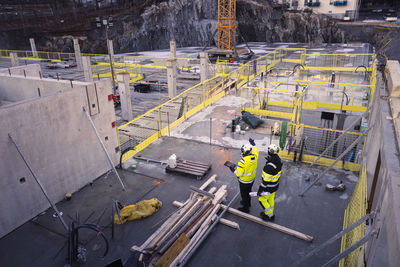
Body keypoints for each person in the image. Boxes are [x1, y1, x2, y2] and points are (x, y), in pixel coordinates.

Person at [256, 144, 282, 221]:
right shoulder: (278, 159)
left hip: (268, 187)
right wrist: (270, 160)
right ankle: (271, 214)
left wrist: (260, 189)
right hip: (275, 185)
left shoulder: (269, 166)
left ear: (270, 152)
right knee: (271, 199)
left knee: (262, 200)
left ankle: (268, 215)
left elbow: (266, 180)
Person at [233, 138, 259, 213]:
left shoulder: (242, 162)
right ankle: (248, 203)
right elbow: (256, 150)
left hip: (244, 182)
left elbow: (239, 173)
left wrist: (233, 170)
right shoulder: (255, 157)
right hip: (251, 180)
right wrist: (253, 143)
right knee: (249, 192)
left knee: (244, 194)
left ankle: (246, 207)